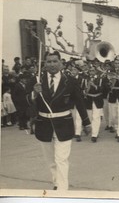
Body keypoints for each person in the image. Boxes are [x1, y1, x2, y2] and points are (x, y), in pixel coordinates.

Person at [28, 51, 91, 190]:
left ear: (61, 63)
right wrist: (34, 93)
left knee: (61, 160)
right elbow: (26, 100)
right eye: (49, 62)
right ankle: (57, 182)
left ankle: (62, 191)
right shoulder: (36, 80)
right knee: (51, 161)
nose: (52, 64)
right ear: (44, 64)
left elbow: (80, 102)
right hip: (44, 125)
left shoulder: (70, 81)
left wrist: (86, 122)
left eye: (55, 61)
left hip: (64, 124)